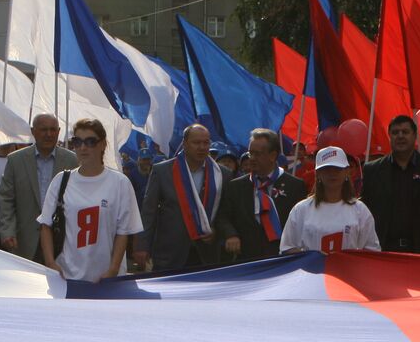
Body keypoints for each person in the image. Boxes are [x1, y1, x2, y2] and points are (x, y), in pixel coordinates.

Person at [37, 118, 142, 283]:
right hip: (67, 276)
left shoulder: (120, 183)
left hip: (107, 279)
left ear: (102, 145)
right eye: (77, 142)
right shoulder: (61, 180)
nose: (83, 147)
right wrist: (50, 262)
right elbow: (45, 225)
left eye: (90, 142)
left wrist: (113, 269)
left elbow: (123, 232)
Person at [361, 114, 420, 253]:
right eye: (395, 132)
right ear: (389, 136)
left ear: (415, 135)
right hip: (384, 251)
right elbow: (365, 214)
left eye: (405, 132)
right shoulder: (372, 170)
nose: (400, 136)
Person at [137, 124, 223, 272]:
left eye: (206, 142)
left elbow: (225, 213)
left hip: (207, 255)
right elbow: (148, 212)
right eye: (196, 143)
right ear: (184, 144)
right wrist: (142, 247)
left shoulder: (221, 175)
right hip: (170, 253)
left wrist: (216, 231)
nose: (202, 147)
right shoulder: (162, 171)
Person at [215, 128, 309, 263]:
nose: (251, 159)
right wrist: (231, 235)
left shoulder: (295, 186)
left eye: (257, 154)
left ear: (273, 155)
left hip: (282, 259)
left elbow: (302, 222)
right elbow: (222, 217)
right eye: (250, 153)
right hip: (246, 259)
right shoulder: (235, 186)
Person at [0, 113, 76, 260]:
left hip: (61, 243)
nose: (49, 134)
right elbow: (6, 199)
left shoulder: (72, 161)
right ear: (33, 131)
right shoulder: (16, 160)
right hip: (25, 241)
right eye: (43, 129)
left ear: (59, 132)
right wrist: (7, 231)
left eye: (53, 130)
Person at [279, 145, 381, 254]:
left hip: (348, 271)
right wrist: (312, 258)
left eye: (337, 169)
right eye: (326, 169)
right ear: (317, 173)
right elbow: (286, 249)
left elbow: (372, 251)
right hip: (313, 271)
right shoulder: (300, 210)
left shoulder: (360, 210)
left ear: (347, 172)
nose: (332, 173)